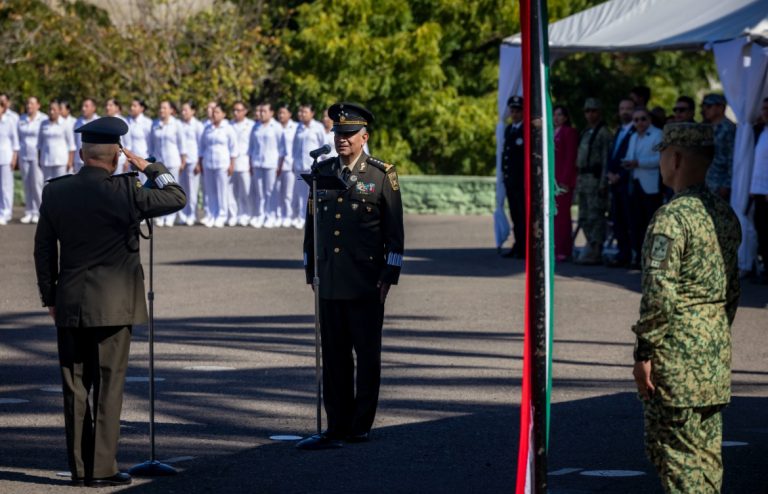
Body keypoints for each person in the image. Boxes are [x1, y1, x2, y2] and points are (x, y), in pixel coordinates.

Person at [33, 116, 186, 487]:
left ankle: (79, 470)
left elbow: (42, 250)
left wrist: (50, 296)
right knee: (108, 386)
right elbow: (176, 197)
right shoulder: (127, 190)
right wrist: (149, 166)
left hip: (70, 303)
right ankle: (101, 469)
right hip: (115, 306)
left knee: (75, 389)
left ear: (81, 153)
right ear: (116, 155)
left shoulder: (56, 191)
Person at [632, 122, 741, 493]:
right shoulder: (723, 214)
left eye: (662, 153)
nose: (660, 160)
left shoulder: (671, 218)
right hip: (713, 355)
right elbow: (733, 289)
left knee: (678, 463)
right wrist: (712, 333)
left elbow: (659, 296)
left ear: (674, 158)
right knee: (707, 462)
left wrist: (644, 352)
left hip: (676, 360)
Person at [298, 102, 404, 449]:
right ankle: (337, 423)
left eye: (348, 134)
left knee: (367, 356)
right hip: (329, 280)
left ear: (364, 137)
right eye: (338, 133)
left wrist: (388, 276)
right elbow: (311, 228)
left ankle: (361, 424)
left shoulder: (380, 174)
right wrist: (312, 270)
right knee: (334, 356)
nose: (342, 139)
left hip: (365, 282)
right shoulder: (323, 172)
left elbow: (395, 233)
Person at [622, 108, 663, 268]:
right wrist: (628, 162)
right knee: (635, 222)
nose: (639, 123)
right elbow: (631, 156)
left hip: (651, 185)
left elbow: (659, 158)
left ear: (649, 120)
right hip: (635, 183)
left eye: (643, 119)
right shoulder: (633, 136)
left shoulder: (657, 134)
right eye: (636, 120)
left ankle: (652, 259)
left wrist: (639, 163)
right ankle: (638, 256)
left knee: (650, 222)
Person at [575, 98, 613, 265]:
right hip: (583, 179)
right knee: (583, 216)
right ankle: (590, 245)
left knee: (596, 216)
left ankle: (596, 250)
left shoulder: (604, 133)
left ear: (599, 112)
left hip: (596, 179)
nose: (590, 114)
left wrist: (604, 183)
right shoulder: (585, 132)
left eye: (593, 111)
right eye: (587, 111)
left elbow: (607, 159)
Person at [605, 98, 636, 267]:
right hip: (615, 183)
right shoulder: (618, 131)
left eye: (628, 108)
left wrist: (620, 175)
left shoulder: (635, 130)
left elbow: (632, 157)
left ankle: (631, 254)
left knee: (629, 220)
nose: (625, 111)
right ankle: (622, 253)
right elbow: (613, 155)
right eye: (622, 108)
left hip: (627, 182)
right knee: (618, 221)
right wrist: (609, 173)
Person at [198, 102, 238, 228]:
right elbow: (202, 147)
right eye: (213, 112)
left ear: (224, 114)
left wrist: (232, 164)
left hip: (222, 164)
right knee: (210, 192)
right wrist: (200, 162)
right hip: (209, 163)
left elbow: (233, 148)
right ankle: (211, 214)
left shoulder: (228, 129)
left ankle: (222, 215)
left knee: (222, 191)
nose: (214, 115)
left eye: (217, 112)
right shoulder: (207, 128)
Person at [149, 101, 185, 226]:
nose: (161, 110)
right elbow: (151, 144)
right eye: (160, 107)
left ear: (171, 110)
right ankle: (160, 216)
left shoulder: (176, 124)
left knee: (172, 189)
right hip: (159, 162)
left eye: (164, 108)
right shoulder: (154, 124)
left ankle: (170, 217)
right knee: (159, 190)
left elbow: (182, 144)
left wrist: (183, 161)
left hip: (173, 161)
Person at [291, 103, 326, 230]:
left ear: (312, 113)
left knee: (313, 193)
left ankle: (314, 218)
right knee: (301, 194)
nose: (302, 114)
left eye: (305, 112)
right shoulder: (299, 127)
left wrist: (323, 164)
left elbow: (324, 146)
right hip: (300, 167)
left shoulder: (318, 127)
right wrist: (293, 162)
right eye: (300, 112)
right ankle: (301, 217)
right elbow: (295, 146)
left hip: (313, 167)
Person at [500, 96, 526, 259]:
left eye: (517, 111)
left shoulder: (526, 130)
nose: (514, 114)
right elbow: (506, 155)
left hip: (521, 181)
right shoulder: (509, 129)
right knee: (515, 215)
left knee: (523, 215)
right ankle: (518, 244)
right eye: (512, 111)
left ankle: (524, 247)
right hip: (511, 180)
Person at [249, 102, 281, 228]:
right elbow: (251, 147)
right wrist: (250, 163)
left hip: (271, 163)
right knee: (260, 192)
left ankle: (271, 215)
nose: (261, 114)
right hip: (257, 162)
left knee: (270, 191)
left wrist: (280, 164)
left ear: (271, 113)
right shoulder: (255, 127)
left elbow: (282, 148)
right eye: (260, 111)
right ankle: (260, 215)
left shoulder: (276, 127)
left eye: (264, 111)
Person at [17, 96, 48, 224]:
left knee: (36, 184)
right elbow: (18, 138)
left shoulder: (43, 119)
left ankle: (39, 211)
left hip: (37, 155)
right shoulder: (21, 119)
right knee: (27, 184)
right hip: (24, 155)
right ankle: (29, 211)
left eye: (32, 103)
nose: (29, 106)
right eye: (28, 103)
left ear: (38, 105)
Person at [553, 105, 578, 261]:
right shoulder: (552, 132)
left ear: (566, 117)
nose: (556, 118)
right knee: (554, 216)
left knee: (562, 216)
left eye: (560, 115)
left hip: (562, 181)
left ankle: (564, 248)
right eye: (555, 115)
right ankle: (555, 247)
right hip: (553, 180)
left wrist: (565, 180)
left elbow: (570, 158)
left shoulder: (569, 132)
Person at [700, 93, 736, 201]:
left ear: (720, 107)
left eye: (708, 106)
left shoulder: (728, 128)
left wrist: (727, 185)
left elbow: (732, 158)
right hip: (707, 181)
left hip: (720, 183)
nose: (704, 110)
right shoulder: (706, 127)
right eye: (703, 106)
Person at [179, 101, 205, 226]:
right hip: (181, 162)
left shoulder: (198, 125)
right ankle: (184, 214)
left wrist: (199, 163)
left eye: (186, 110)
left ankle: (193, 214)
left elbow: (201, 145)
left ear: (193, 111)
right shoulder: (179, 125)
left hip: (193, 160)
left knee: (192, 190)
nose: (183, 113)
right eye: (182, 110)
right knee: (182, 189)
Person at [751, 97, 768, 284]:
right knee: (761, 230)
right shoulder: (760, 132)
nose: (764, 112)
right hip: (758, 189)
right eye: (763, 108)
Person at [229, 101, 254, 227]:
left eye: (239, 110)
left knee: (246, 191)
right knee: (232, 191)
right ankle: (234, 215)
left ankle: (246, 214)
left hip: (245, 161)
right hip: (231, 162)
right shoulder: (229, 125)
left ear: (245, 111)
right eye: (234, 110)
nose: (235, 113)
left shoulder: (251, 125)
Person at [38, 100, 75, 181]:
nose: (51, 112)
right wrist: (39, 159)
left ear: (59, 110)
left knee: (61, 185)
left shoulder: (65, 123)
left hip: (61, 161)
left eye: (54, 109)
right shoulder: (43, 123)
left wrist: (70, 161)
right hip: (46, 160)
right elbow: (40, 144)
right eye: (50, 109)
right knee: (47, 185)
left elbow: (71, 145)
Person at [276, 104, 299, 227]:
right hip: (276, 164)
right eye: (279, 113)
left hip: (290, 164)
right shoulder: (274, 127)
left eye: (283, 113)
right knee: (278, 191)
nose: (281, 115)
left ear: (290, 114)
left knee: (289, 193)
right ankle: (279, 215)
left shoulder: (295, 127)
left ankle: (290, 215)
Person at [0, 101, 20, 225]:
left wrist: (14, 159)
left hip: (6, 158)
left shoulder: (9, 121)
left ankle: (6, 213)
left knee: (6, 187)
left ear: (3, 108)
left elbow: (15, 142)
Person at [124, 98, 152, 168]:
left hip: (143, 159)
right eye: (131, 106)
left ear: (142, 108)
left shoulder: (147, 122)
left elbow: (150, 142)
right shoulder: (126, 121)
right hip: (129, 159)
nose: (131, 108)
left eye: (134, 106)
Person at [73, 98, 99, 173]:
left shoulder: (99, 121)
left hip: (94, 160)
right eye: (83, 106)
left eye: (86, 106)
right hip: (78, 161)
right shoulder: (77, 122)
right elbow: (74, 142)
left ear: (93, 108)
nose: (83, 108)